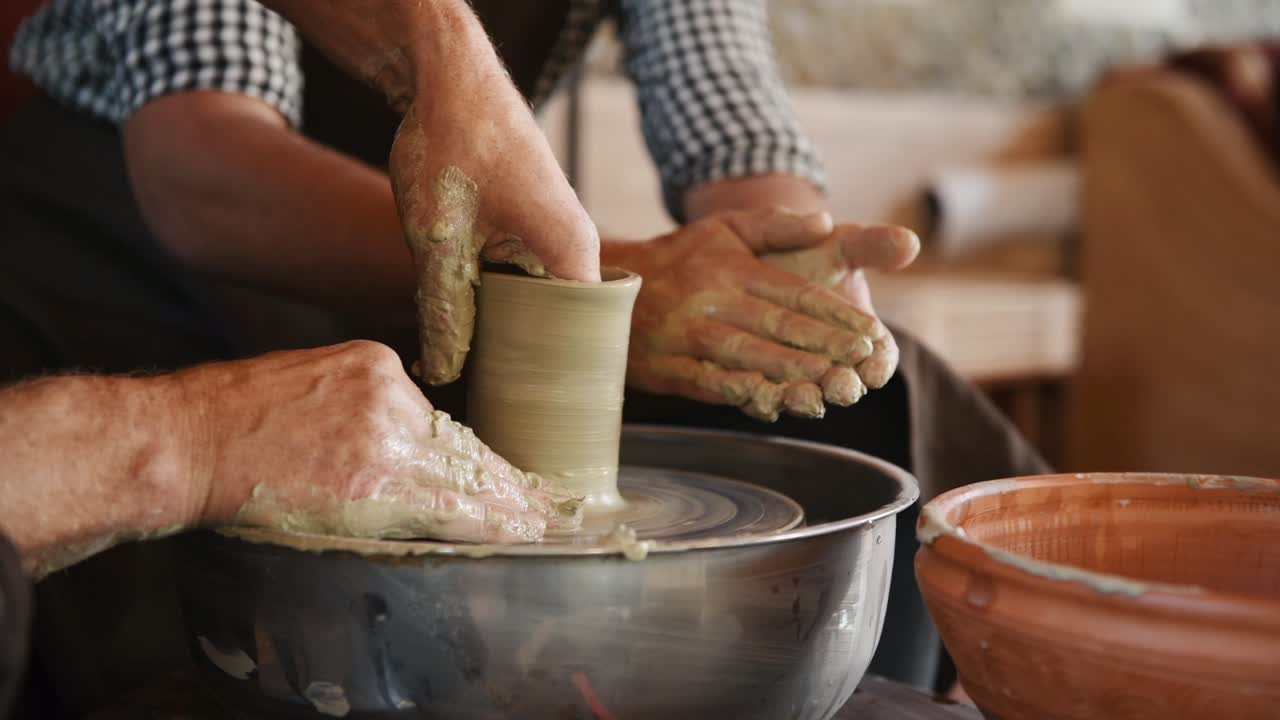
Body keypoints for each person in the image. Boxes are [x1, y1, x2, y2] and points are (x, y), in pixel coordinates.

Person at [0, 0, 1047, 713]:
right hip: (127, 294)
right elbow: (208, 169)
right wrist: (621, 283)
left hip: (436, 303)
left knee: (866, 395)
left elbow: (725, 107)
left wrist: (785, 280)